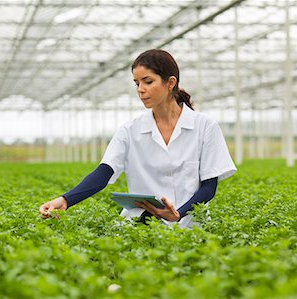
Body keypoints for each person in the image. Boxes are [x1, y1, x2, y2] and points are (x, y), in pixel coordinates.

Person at [39, 49, 236, 228]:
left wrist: (178, 214)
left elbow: (209, 187)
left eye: (148, 82)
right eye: (137, 83)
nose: (140, 89)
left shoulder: (205, 127)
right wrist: (65, 200)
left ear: (170, 83)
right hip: (139, 227)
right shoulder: (130, 130)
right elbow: (104, 172)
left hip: (191, 226)